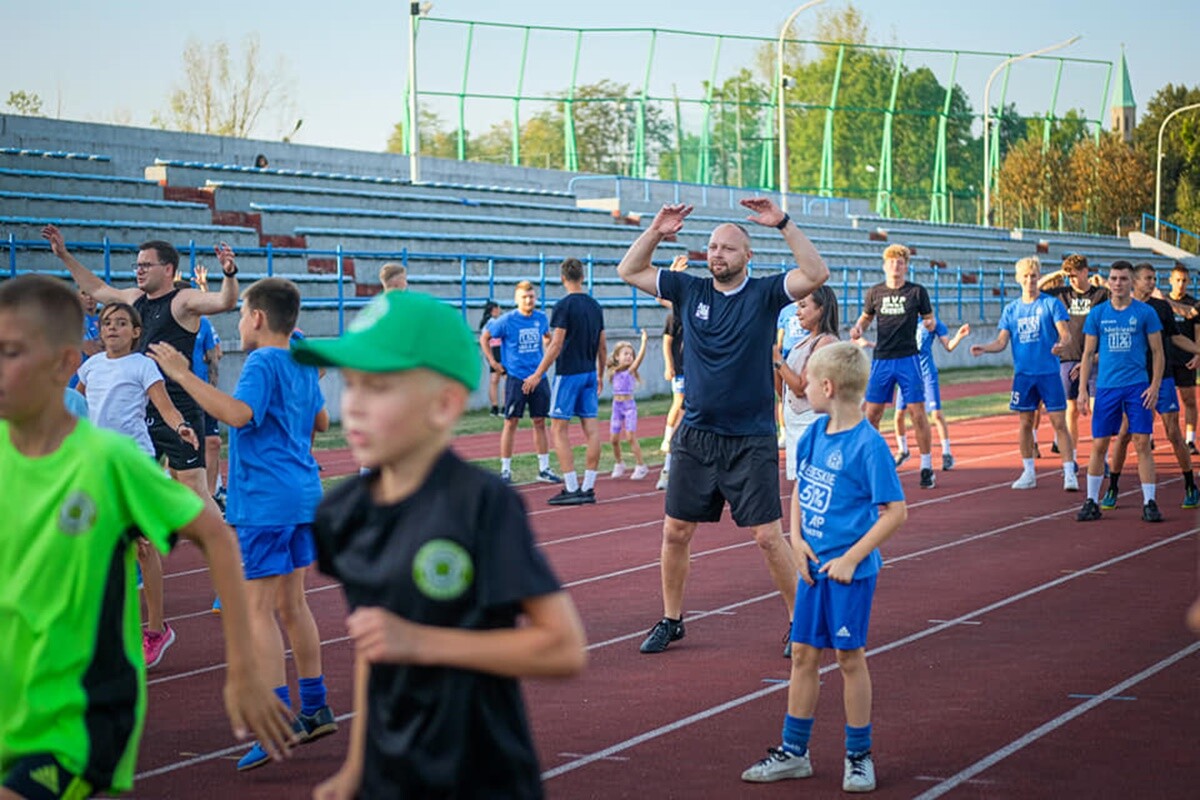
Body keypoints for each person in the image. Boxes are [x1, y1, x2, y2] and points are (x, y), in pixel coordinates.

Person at [0, 275, 293, 799]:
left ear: (64, 364)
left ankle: (156, 625)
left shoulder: (107, 462)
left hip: (76, 713)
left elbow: (216, 536)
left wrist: (245, 667)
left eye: (12, 353)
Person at [289, 290, 587, 800]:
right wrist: (356, 770)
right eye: (350, 384)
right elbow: (374, 648)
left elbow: (562, 647)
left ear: (444, 403)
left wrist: (421, 643)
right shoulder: (342, 514)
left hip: (483, 778)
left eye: (378, 387)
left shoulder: (481, 504)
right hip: (389, 779)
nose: (353, 405)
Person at [616, 197, 829, 655]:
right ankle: (672, 620)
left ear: (747, 256)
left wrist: (783, 223)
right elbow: (629, 270)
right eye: (713, 247)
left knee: (767, 537)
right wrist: (656, 231)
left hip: (749, 438)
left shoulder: (765, 294)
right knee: (675, 531)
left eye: (728, 248)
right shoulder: (689, 290)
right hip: (696, 435)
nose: (717, 254)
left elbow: (816, 274)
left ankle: (802, 621)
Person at [148, 277, 337, 772]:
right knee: (293, 604)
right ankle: (315, 706)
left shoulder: (262, 361)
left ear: (256, 317)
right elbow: (320, 422)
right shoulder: (300, 361)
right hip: (302, 494)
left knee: (257, 612)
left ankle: (278, 720)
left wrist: (183, 375)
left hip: (266, 500)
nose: (238, 323)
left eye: (240, 314)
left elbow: (238, 414)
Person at [740, 342, 906, 793]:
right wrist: (795, 541)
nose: (804, 387)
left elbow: (895, 512)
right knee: (803, 655)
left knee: (849, 658)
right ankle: (794, 751)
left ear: (828, 387)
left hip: (848, 575)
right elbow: (799, 490)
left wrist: (851, 558)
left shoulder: (869, 445)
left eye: (809, 381)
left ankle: (859, 755)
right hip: (811, 570)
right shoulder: (814, 433)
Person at [41, 224, 235, 521]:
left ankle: (221, 541)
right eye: (137, 265)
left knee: (193, 488)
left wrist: (229, 274)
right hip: (138, 409)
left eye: (146, 265)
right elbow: (97, 289)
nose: (139, 270)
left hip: (177, 407)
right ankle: (136, 543)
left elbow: (225, 302)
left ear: (168, 269)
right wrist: (64, 256)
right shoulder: (134, 299)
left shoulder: (182, 300)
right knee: (128, 486)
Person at [77, 302, 201, 669]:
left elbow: (164, 406)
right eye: (106, 323)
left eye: (121, 323)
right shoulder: (91, 366)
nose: (112, 328)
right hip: (98, 465)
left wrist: (180, 426)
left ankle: (156, 629)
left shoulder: (142, 365)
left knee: (142, 547)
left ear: (135, 332)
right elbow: (74, 405)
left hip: (135, 463)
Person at [970, 257, 1077, 491]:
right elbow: (1001, 342)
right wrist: (984, 348)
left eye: (1033, 276)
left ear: (1039, 277)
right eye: (1026, 276)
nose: (1030, 280)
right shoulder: (1011, 309)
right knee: (1025, 422)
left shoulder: (1051, 304)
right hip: (1024, 376)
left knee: (1059, 422)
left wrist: (1062, 344)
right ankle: (1028, 472)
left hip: (1049, 373)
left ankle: (1069, 472)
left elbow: (1066, 334)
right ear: (1018, 279)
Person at [1102, 263, 1200, 511]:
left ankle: (1190, 485)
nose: (1152, 283)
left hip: (1162, 377)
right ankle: (1113, 486)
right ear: (1135, 280)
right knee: (1125, 433)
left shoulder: (1161, 307)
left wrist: (1198, 349)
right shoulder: (1122, 307)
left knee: (1173, 432)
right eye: (1148, 278)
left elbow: (1175, 336)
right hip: (1134, 379)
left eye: (1154, 278)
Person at [1076, 261, 1166, 523]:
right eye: (1114, 278)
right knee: (1099, 444)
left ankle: (1149, 502)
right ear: (1109, 281)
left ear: (1131, 282)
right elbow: (1088, 354)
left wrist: (1155, 386)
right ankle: (1091, 500)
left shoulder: (1146, 312)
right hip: (1106, 387)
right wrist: (1082, 389)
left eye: (1123, 279)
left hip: (1137, 386)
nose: (1118, 283)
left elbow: (1158, 352)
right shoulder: (1098, 314)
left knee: (1142, 442)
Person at [849, 244, 939, 489]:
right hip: (882, 359)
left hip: (908, 358)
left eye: (900, 262)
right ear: (884, 265)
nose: (895, 266)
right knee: (872, 414)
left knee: (917, 413)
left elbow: (929, 318)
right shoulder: (875, 292)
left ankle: (926, 466)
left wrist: (930, 324)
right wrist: (858, 328)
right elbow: (866, 318)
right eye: (891, 262)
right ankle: (872, 463)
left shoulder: (917, 292)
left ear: (906, 266)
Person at [525, 259, 607, 506]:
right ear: (582, 277)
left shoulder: (563, 306)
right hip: (589, 372)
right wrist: (600, 373)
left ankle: (571, 486)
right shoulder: (595, 306)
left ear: (563, 278)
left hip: (569, 373)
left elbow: (556, 344)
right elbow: (602, 345)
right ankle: (589, 486)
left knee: (558, 429)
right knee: (591, 428)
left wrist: (537, 374)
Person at [479, 281, 561, 485]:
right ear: (517, 299)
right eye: (524, 297)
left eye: (531, 296)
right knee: (511, 422)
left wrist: (547, 353)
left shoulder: (541, 318)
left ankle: (544, 469)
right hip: (516, 378)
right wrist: (493, 362)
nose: (529, 300)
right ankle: (505, 470)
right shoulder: (507, 320)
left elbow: (548, 338)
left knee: (540, 422)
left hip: (538, 377)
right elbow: (485, 337)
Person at [1041, 254, 1109, 457]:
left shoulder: (1100, 294)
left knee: (1098, 410)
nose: (1071, 279)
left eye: (1075, 275)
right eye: (1068, 276)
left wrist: (1104, 282)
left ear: (1085, 272)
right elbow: (1035, 289)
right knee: (1071, 410)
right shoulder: (1062, 294)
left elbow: (1123, 296)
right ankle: (1072, 457)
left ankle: (1102, 457)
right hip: (1069, 358)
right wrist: (1056, 274)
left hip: (1095, 359)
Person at [775, 285, 840, 482]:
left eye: (803, 306)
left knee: (814, 485)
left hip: (812, 426)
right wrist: (774, 366)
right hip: (797, 428)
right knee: (801, 487)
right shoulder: (799, 344)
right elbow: (785, 392)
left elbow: (801, 388)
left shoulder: (826, 342)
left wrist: (778, 360)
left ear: (821, 309)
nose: (797, 312)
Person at [892, 316, 970, 471]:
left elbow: (948, 346)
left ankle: (947, 453)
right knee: (899, 415)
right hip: (908, 375)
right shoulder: (904, 321)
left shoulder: (933, 322)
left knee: (936, 414)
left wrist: (959, 336)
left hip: (927, 374)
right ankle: (903, 450)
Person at [192, 265, 226, 502]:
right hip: (174, 392)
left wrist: (212, 389)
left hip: (201, 392)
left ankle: (211, 497)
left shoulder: (203, 323)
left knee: (212, 442)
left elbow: (215, 354)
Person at [658, 254, 690, 491]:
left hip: (699, 369)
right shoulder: (675, 316)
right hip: (681, 367)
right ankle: (669, 440)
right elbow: (661, 296)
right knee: (679, 404)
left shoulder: (695, 310)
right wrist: (669, 365)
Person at [606, 329, 650, 480]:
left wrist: (644, 342)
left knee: (630, 437)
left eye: (631, 354)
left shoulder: (631, 371)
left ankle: (641, 466)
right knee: (613, 439)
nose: (629, 357)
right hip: (616, 407)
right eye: (625, 354)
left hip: (629, 407)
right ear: (617, 357)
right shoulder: (613, 372)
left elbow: (640, 359)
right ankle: (619, 463)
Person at [1165, 264, 1200, 454]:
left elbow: (1198, 332)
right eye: (1177, 280)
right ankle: (1149, 437)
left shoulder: (1194, 304)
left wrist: (1197, 354)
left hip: (1185, 359)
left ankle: (1190, 440)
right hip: (1165, 358)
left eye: (1184, 280)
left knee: (1189, 400)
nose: (1181, 284)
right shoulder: (1160, 303)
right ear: (1170, 280)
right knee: (1157, 401)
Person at [479, 300, 504, 417]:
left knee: (494, 380)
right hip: (498, 349)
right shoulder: (495, 322)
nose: (500, 311)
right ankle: (505, 407)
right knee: (506, 378)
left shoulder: (486, 323)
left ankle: (494, 408)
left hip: (490, 349)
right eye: (498, 308)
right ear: (493, 310)